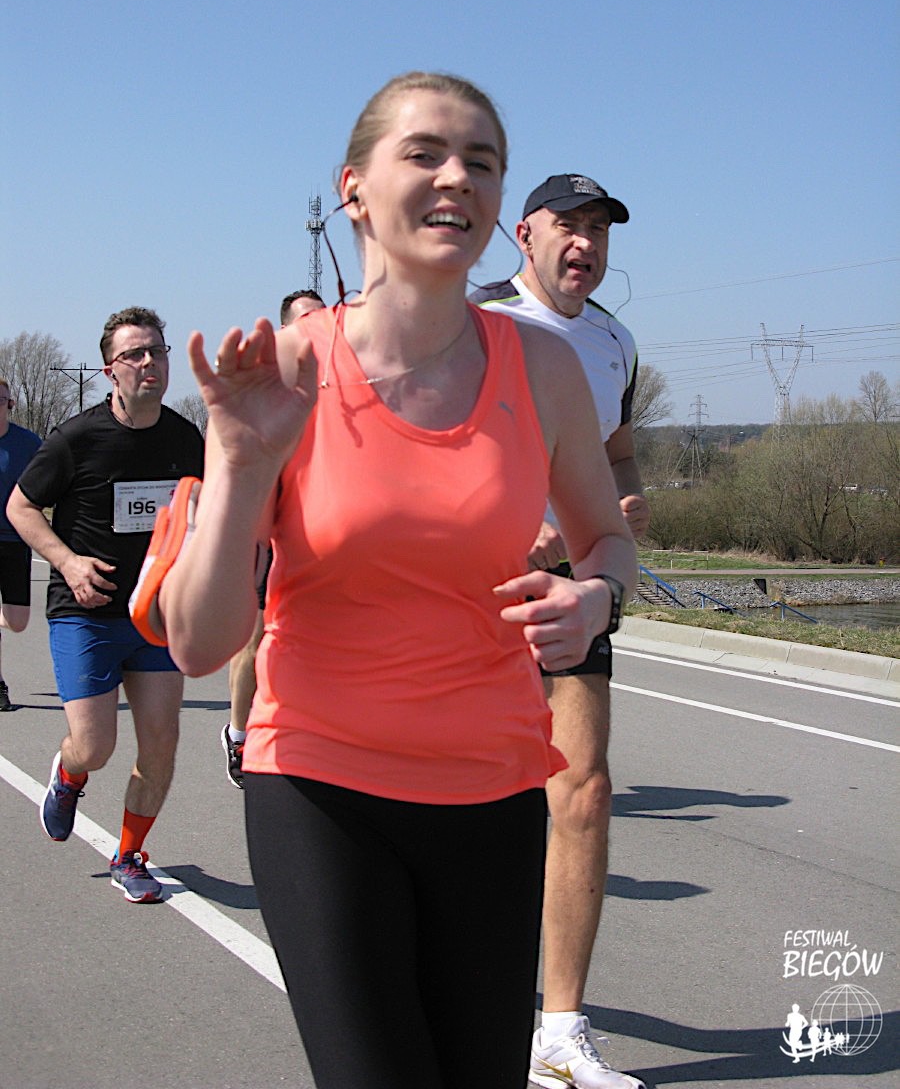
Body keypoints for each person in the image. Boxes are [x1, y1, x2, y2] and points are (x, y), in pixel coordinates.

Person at [133, 72, 637, 1089]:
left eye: (482, 162)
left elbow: (607, 540)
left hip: (495, 786)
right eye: (426, 154)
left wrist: (595, 600)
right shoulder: (286, 366)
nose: (458, 177)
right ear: (354, 189)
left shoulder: (542, 370)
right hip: (321, 785)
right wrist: (240, 467)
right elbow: (197, 643)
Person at [471, 173, 649, 1089]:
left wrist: (624, 503)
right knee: (473, 799)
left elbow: (616, 451)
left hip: (575, 591)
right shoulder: (477, 322)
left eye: (599, 231)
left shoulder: (615, 341)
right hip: (473, 589)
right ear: (525, 234)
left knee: (584, 790)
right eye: (568, 227)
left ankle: (560, 1030)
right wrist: (508, 520)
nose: (585, 245)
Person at [7, 308, 204, 902]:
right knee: (95, 746)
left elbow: (204, 514)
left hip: (154, 615)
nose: (149, 362)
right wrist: (68, 562)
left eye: (157, 351)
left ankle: (130, 855)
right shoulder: (76, 438)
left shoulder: (185, 439)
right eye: (134, 354)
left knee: (161, 744)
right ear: (109, 370)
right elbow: (19, 507)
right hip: (85, 613)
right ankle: (70, 773)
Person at [221, 287, 326, 787]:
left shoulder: (346, 381)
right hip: (269, 531)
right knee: (257, 639)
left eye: (324, 318)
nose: (317, 328)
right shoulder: (267, 389)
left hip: (321, 534)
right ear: (285, 330)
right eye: (306, 321)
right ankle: (239, 734)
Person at [0, 378, 41, 711]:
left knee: (16, 621)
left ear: (10, 404)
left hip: (15, 539)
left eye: (1, 400)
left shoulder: (27, 443)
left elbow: (49, 481)